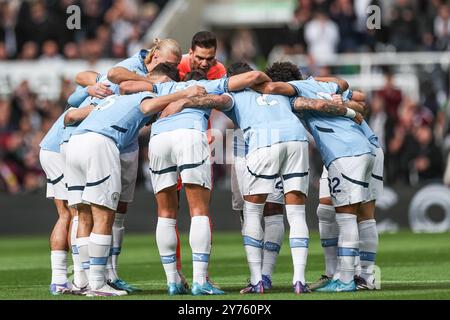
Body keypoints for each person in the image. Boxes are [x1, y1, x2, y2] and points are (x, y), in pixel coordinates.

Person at [64, 63, 204, 297]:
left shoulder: (112, 98)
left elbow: (69, 117)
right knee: (104, 214)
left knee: (84, 214)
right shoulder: (147, 93)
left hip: (75, 143)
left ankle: (82, 281)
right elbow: (149, 104)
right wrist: (183, 93)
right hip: (100, 144)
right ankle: (98, 285)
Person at [257, 61, 375, 292]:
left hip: (345, 151)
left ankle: (347, 279)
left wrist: (256, 86)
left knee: (346, 216)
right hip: (361, 148)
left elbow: (287, 94)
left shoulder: (296, 92)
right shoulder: (319, 84)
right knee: (344, 213)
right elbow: (352, 90)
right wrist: (345, 103)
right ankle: (350, 276)